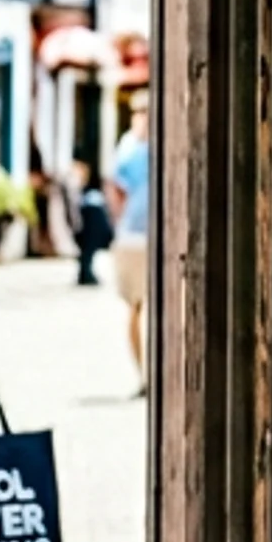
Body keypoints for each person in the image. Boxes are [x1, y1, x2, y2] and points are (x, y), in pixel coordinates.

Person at [107, 104, 151, 380]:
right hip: (134, 238)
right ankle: (142, 374)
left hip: (150, 238)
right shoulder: (130, 151)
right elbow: (116, 190)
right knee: (135, 306)